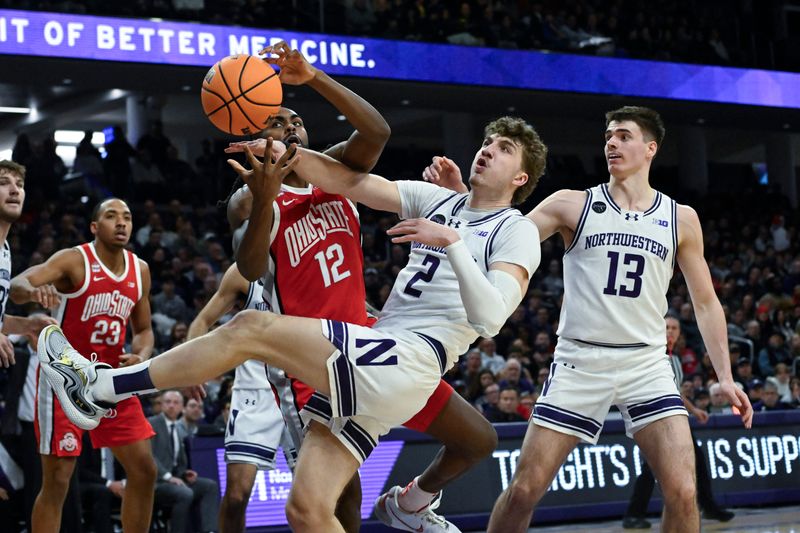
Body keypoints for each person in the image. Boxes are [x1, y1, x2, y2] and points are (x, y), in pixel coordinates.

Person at [36, 112, 545, 532]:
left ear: (521, 178)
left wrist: (452, 244)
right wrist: (278, 153)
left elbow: (493, 317)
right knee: (305, 510)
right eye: (488, 140)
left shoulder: (516, 230)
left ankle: (102, 386)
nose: (488, 149)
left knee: (249, 328)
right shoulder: (440, 201)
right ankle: (409, 507)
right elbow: (350, 178)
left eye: (503, 149)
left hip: (406, 358)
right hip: (372, 355)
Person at [226, 43, 505, 533]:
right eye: (276, 122)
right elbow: (250, 269)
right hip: (306, 352)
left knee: (476, 438)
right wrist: (266, 197)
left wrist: (313, 78)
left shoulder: (333, 171)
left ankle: (410, 505)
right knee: (341, 498)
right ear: (254, 135)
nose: (290, 126)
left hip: (373, 342)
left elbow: (377, 130)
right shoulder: (246, 198)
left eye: (295, 121)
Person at [480, 106, 752, 533]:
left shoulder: (680, 218)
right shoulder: (572, 204)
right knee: (524, 490)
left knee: (683, 492)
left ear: (650, 148)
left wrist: (726, 376)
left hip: (645, 364)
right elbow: (500, 242)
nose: (611, 143)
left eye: (623, 136)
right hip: (579, 361)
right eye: (608, 136)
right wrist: (467, 206)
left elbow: (705, 302)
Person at [11, 197, 158, 533]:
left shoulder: (141, 270)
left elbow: (145, 330)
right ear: (95, 226)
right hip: (65, 379)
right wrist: (35, 292)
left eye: (127, 217)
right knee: (59, 479)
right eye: (111, 216)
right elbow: (18, 284)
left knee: (144, 471)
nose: (121, 223)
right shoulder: (74, 260)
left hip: (111, 382)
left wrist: (142, 354)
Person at [187, 263, 294, 533]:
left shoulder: (307, 259)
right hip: (254, 391)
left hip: (301, 387)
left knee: (324, 498)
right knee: (236, 496)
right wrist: (192, 364)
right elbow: (201, 321)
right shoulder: (245, 272)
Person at [622, 316, 734, 529]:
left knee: (695, 459)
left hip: (672, 417)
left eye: (674, 328)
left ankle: (707, 506)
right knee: (654, 466)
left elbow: (675, 392)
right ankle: (633, 514)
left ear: (680, 333)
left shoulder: (674, 359)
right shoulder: (648, 352)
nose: (670, 331)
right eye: (666, 327)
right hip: (650, 415)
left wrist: (693, 410)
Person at [149, 390, 219, 533]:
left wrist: (184, 473)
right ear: (161, 405)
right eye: (168, 402)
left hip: (175, 480)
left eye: (176, 403)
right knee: (184, 493)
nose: (171, 406)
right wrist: (168, 477)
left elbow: (177, 461)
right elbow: (149, 456)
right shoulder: (152, 424)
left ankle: (210, 530)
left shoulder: (180, 429)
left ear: (182, 407)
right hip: (156, 483)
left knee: (209, 486)